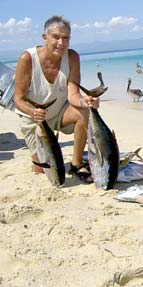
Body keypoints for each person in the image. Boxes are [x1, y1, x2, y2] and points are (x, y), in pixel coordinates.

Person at [14, 15, 99, 183]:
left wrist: (86, 101)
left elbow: (73, 95)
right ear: (45, 38)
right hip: (34, 119)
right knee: (41, 170)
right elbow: (18, 99)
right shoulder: (27, 58)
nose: (61, 43)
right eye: (56, 37)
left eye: (66, 38)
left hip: (59, 112)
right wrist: (34, 112)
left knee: (83, 112)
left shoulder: (72, 57)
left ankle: (76, 163)